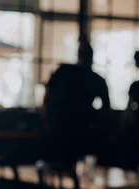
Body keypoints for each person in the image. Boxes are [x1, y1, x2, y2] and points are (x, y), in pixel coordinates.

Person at [41, 36, 111, 166]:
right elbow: (106, 108)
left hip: (64, 129)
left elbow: (46, 97)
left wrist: (47, 121)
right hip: (78, 130)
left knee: (58, 166)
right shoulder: (94, 79)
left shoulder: (63, 72)